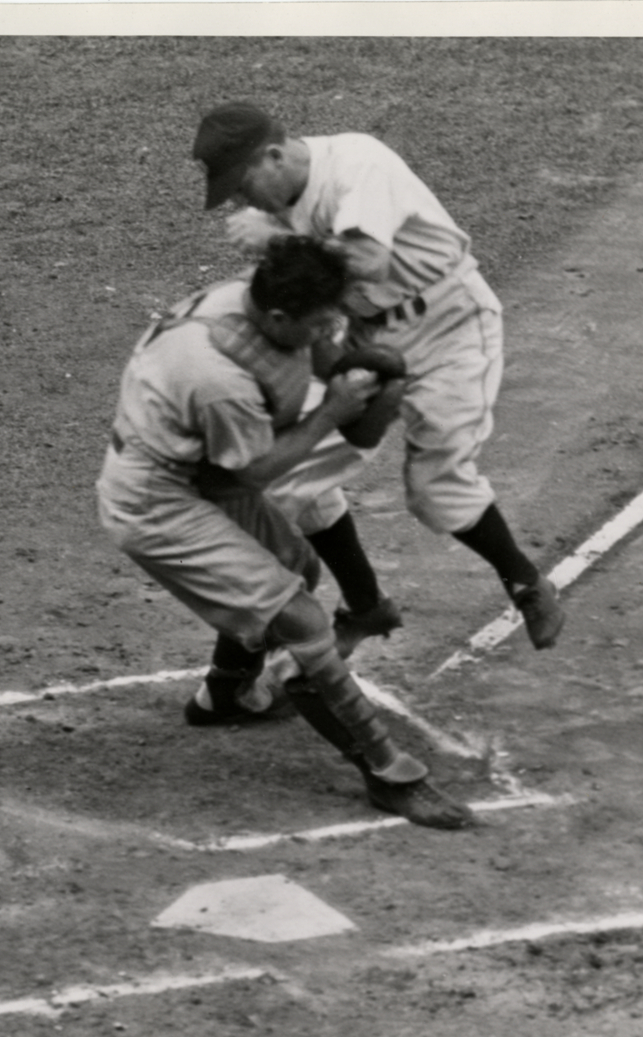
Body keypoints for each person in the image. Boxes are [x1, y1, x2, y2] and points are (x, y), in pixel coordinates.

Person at [188, 102, 564, 711]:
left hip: (450, 326)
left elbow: (368, 260)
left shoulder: (358, 165)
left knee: (435, 487)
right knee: (281, 484)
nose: (241, 203)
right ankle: (360, 609)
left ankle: (525, 582)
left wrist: (281, 239)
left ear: (274, 156)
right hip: (365, 339)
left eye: (243, 183)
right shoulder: (276, 203)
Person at [97, 235, 473, 830]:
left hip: (202, 476)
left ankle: (225, 693)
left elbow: (313, 363)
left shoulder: (257, 309)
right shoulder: (215, 377)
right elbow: (255, 472)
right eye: (322, 321)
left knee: (300, 569)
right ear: (276, 316)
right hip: (157, 500)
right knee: (302, 621)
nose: (334, 328)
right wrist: (334, 413)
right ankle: (389, 772)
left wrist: (367, 370)